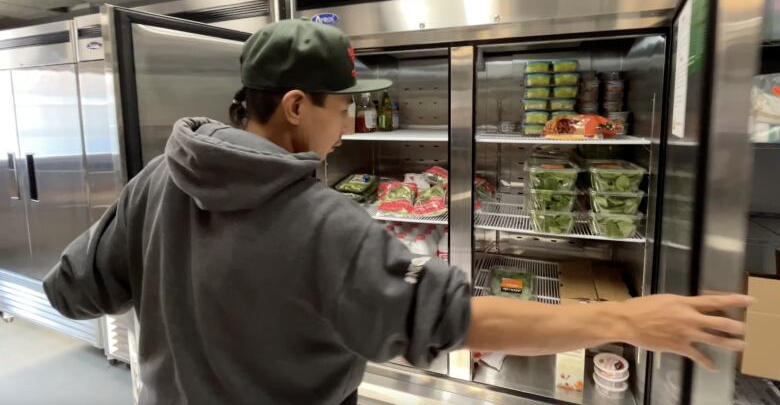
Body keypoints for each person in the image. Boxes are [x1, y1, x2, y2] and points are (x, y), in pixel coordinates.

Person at [43, 20, 751, 405]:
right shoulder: (325, 226)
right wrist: (626, 318)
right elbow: (455, 322)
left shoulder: (155, 179)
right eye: (343, 105)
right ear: (296, 107)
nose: (349, 126)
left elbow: (70, 291)